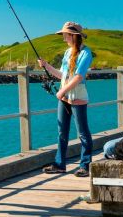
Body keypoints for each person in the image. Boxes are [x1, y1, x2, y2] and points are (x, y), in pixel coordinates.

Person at [38, 22, 93, 177]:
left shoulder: (86, 53)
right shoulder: (67, 53)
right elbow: (63, 75)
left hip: (78, 98)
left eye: (65, 35)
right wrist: (47, 66)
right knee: (62, 131)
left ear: (73, 35)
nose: (63, 38)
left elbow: (78, 77)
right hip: (64, 98)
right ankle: (59, 164)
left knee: (83, 132)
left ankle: (85, 165)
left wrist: (62, 91)